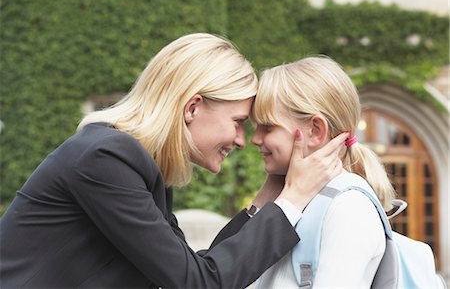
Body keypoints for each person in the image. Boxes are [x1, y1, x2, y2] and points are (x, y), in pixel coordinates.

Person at [0, 34, 348, 289]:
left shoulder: (134, 167)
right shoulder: (105, 159)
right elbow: (197, 283)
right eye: (238, 121)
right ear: (192, 108)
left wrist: (266, 199)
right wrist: (292, 200)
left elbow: (196, 267)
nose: (243, 140)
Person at [251, 56, 396, 288]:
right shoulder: (302, 199)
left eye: (267, 126)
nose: (254, 139)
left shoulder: (347, 208)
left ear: (315, 130)